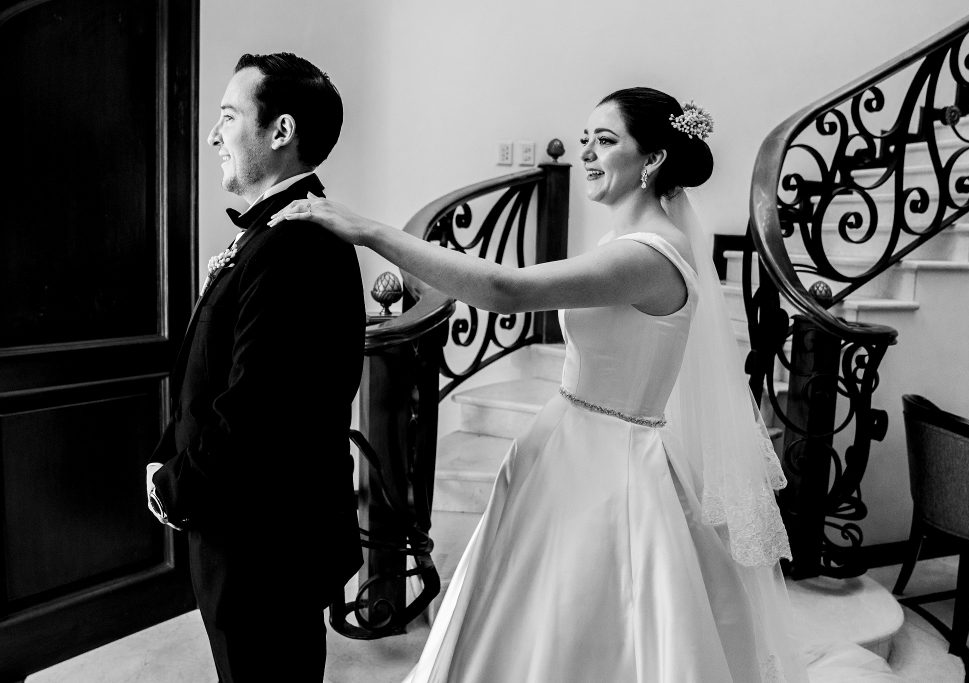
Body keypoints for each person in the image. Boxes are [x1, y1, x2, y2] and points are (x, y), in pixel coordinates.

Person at [272, 88, 900, 681]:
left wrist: (372, 231)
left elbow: (505, 290)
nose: (587, 153)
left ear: (652, 158)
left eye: (605, 140)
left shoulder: (649, 255)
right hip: (569, 440)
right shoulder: (628, 241)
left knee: (593, 619)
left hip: (612, 467)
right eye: (585, 139)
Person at [145, 52, 364, 682]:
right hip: (242, 529)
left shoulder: (297, 244)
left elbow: (257, 408)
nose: (214, 135)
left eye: (228, 117)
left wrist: (174, 487)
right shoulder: (274, 234)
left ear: (282, 132)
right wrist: (167, 450)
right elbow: (208, 372)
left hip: (264, 542)